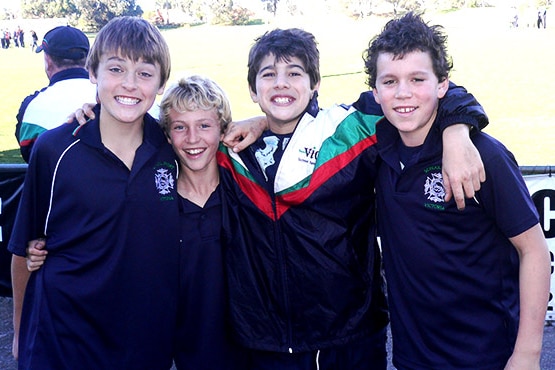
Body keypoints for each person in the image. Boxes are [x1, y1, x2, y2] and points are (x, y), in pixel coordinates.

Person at [217, 28, 488, 369]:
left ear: (315, 83)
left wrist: (457, 131)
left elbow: (435, 92)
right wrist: (262, 124)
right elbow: (180, 126)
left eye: (294, 73)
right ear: (253, 90)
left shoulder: (351, 128)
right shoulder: (232, 150)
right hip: (264, 343)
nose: (281, 83)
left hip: (350, 338)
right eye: (268, 75)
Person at [365, 12, 551, 369]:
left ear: (442, 85)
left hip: (486, 355)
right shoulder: (374, 146)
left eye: (418, 79)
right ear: (375, 92)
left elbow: (534, 251)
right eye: (390, 81)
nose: (403, 92)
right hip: (412, 357)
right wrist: (263, 119)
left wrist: (526, 354)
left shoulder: (482, 156)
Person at [9, 16, 181, 370]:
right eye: (116, 69)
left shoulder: (174, 148)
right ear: (93, 72)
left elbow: (217, 133)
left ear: (161, 83)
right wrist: (18, 332)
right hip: (63, 342)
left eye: (145, 74)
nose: (130, 85)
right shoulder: (54, 149)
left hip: (145, 344)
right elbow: (23, 248)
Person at [158, 75, 246, 369]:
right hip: (192, 355)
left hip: (256, 351)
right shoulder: (157, 206)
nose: (193, 139)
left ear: (223, 130)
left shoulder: (248, 191)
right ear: (168, 136)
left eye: (204, 126)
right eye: (180, 127)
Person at [15, 25, 96, 163]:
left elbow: (30, 157)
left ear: (48, 60)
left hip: (56, 183)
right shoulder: (113, 97)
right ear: (88, 59)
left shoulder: (32, 106)